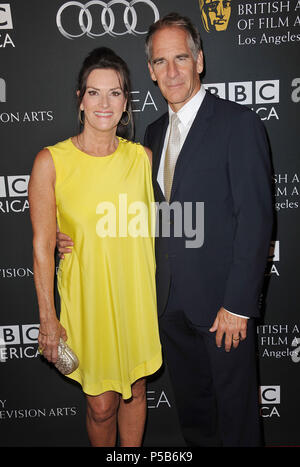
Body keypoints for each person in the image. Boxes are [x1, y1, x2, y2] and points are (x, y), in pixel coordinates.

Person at [57, 14, 273, 447]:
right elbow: (133, 214)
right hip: (167, 309)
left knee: (236, 422)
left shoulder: (238, 123)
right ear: (151, 73)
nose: (171, 70)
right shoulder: (149, 138)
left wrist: (238, 305)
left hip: (223, 312)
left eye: (180, 58)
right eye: (160, 61)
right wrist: (75, 237)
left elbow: (257, 219)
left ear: (199, 61)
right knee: (196, 420)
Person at [29, 47, 162, 448]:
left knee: (136, 391)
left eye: (115, 93)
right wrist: (48, 320)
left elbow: (173, 221)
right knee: (101, 406)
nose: (104, 103)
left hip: (135, 299)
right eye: (94, 93)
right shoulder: (51, 161)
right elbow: (41, 248)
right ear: (80, 98)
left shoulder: (142, 159)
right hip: (87, 302)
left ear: (126, 103)